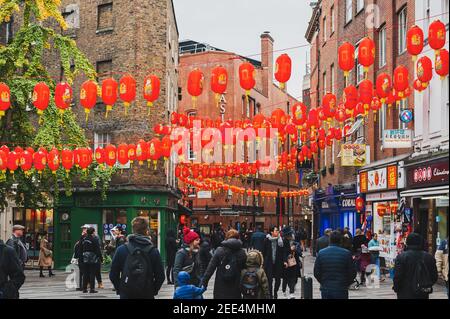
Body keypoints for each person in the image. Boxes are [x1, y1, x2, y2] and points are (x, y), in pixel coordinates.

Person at [109, 217, 165, 299]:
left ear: (133, 230)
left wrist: (121, 289)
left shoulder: (121, 249)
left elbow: (113, 275)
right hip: (147, 293)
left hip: (127, 294)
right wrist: (153, 290)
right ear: (147, 231)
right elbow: (160, 276)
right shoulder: (153, 251)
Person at [201, 229, 247, 299]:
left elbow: (210, 269)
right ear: (238, 238)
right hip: (235, 288)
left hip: (220, 288)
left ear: (227, 237)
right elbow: (245, 271)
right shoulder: (242, 253)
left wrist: (204, 283)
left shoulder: (219, 251)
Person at [393, 233, 438, 299]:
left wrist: (396, 288)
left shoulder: (401, 257)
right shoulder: (429, 257)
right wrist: (425, 284)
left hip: (404, 293)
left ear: (407, 242)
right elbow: (434, 276)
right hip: (422, 293)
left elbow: (397, 276)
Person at [314, 231, 356, 299]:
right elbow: (352, 272)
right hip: (341, 288)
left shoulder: (321, 253)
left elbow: (316, 272)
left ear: (330, 239)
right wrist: (346, 283)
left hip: (326, 288)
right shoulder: (346, 253)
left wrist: (323, 282)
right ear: (340, 240)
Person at [262, 226, 285, 299]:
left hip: (278, 263)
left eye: (278, 230)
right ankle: (271, 295)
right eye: (276, 230)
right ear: (272, 232)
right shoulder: (266, 240)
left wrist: (284, 261)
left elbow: (283, 252)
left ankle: (275, 292)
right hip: (269, 263)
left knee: (278, 280)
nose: (278, 232)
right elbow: (263, 252)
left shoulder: (280, 240)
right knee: (269, 280)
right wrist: (263, 262)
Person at [281, 227, 302, 299]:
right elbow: (283, 252)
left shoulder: (295, 241)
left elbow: (299, 252)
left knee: (294, 277)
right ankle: (286, 291)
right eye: (290, 234)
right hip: (287, 263)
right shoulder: (284, 242)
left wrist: (296, 249)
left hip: (294, 262)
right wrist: (285, 261)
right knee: (286, 278)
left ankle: (291, 291)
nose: (291, 235)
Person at [80, 227, 102, 294]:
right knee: (92, 273)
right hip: (92, 258)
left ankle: (84, 289)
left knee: (85, 273)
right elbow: (97, 249)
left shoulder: (84, 239)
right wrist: (100, 257)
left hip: (85, 258)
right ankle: (92, 289)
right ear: (93, 232)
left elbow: (80, 248)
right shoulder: (94, 239)